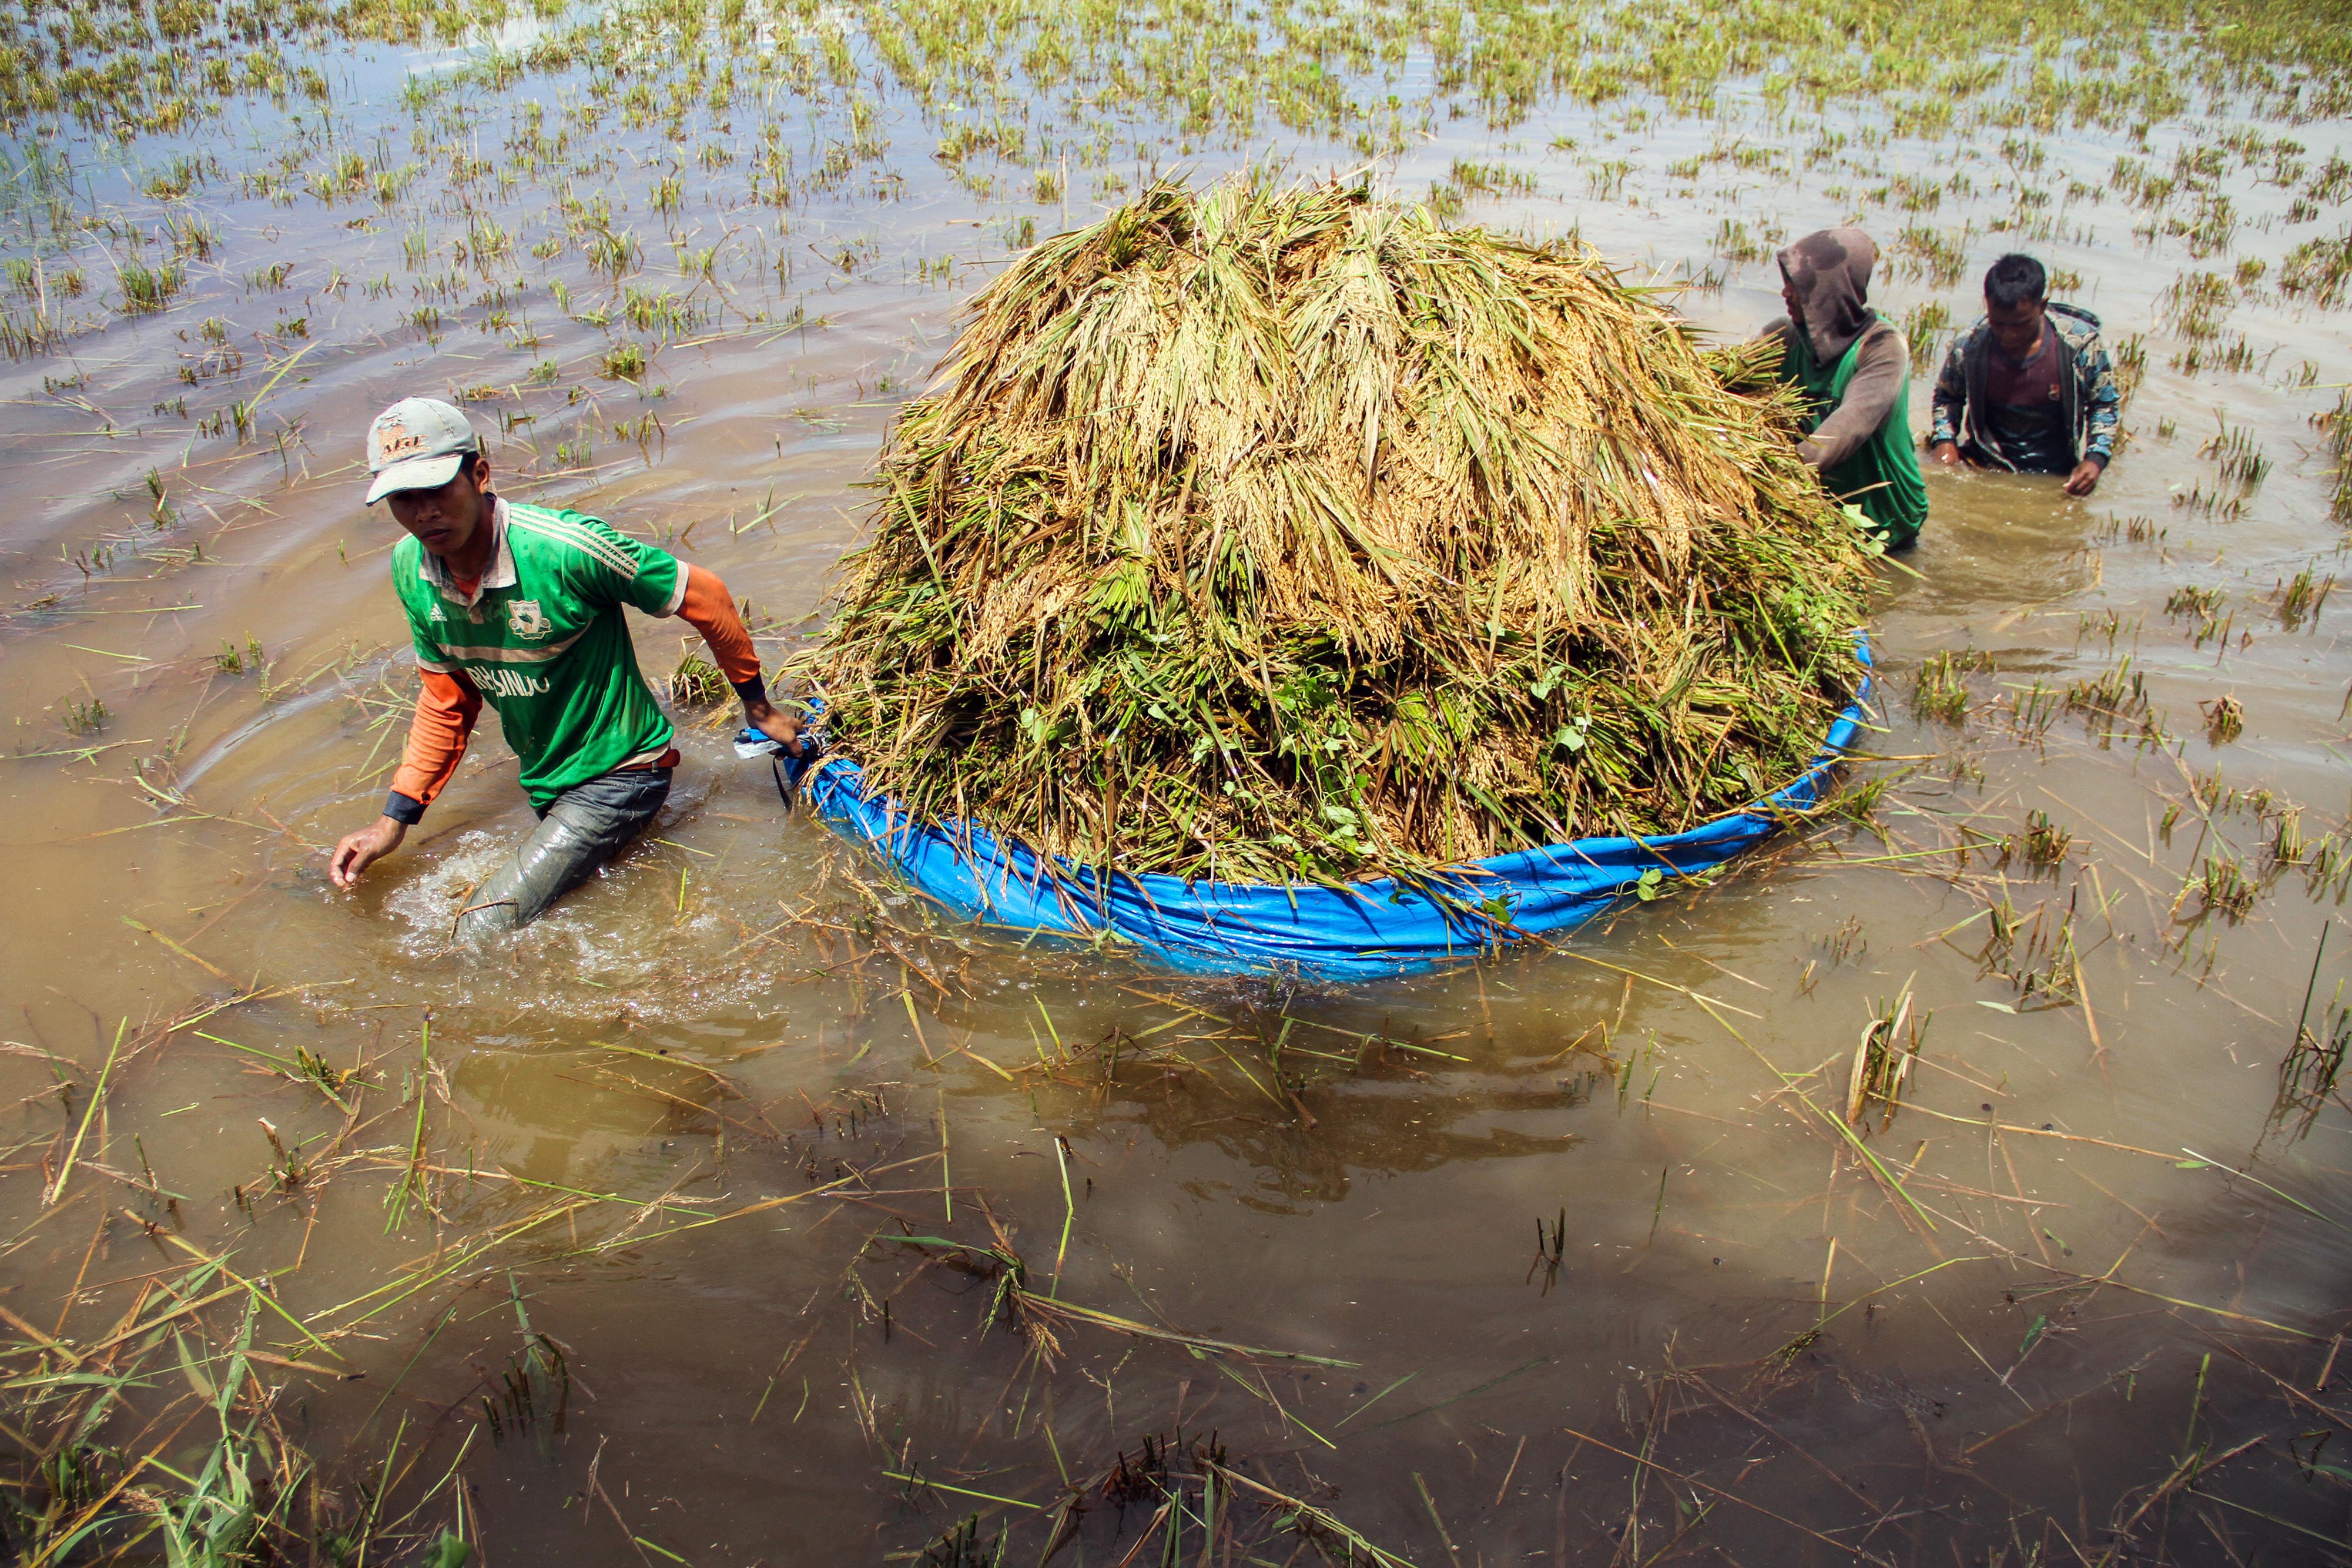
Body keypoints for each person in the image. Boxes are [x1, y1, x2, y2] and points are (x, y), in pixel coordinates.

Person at [327, 397, 802, 937]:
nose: (423, 513)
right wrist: (391, 825)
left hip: (623, 775)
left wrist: (759, 708)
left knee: (476, 930)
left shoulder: (566, 549)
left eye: (437, 489)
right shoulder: (410, 569)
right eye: (403, 498)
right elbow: (447, 700)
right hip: (549, 783)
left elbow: (705, 595)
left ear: (479, 474)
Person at [1755, 227, 1929, 550]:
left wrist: (1776, 474)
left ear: (1829, 289)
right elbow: (1717, 383)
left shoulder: (1881, 348)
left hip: (1885, 522)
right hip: (1827, 512)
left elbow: (1848, 427)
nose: (1786, 294)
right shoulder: (1783, 336)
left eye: (1798, 285)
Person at [1929, 253, 2120, 497]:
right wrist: (1945, 442)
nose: (2008, 334)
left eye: (2020, 325)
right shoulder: (1970, 345)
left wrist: (2095, 459)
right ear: (1986, 304)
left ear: (2042, 307)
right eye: (1999, 323)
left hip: (2056, 476)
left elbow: (2104, 403)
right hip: (1985, 465)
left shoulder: (2079, 346)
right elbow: (1948, 396)